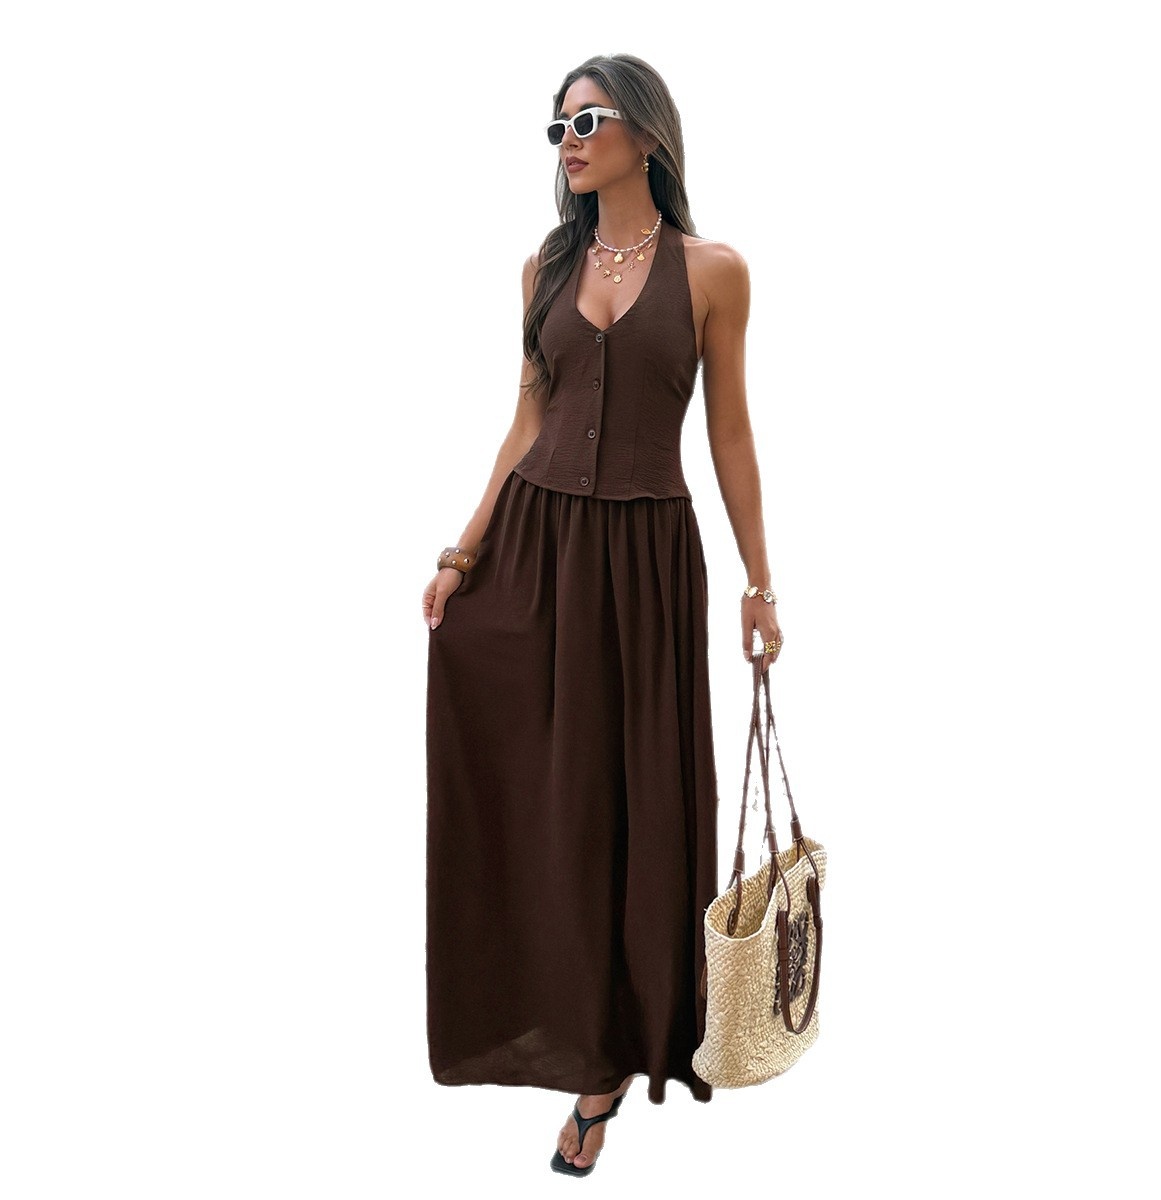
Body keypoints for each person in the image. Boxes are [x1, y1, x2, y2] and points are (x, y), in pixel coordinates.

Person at [423, 53, 783, 1177]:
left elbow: (730, 432)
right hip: (538, 553)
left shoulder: (714, 272)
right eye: (558, 127)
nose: (569, 142)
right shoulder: (544, 267)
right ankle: (566, 1027)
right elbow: (527, 420)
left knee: (636, 798)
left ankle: (620, 1050)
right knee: (550, 801)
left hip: (646, 563)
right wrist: (463, 552)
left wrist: (760, 582)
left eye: (588, 120)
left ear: (648, 135)